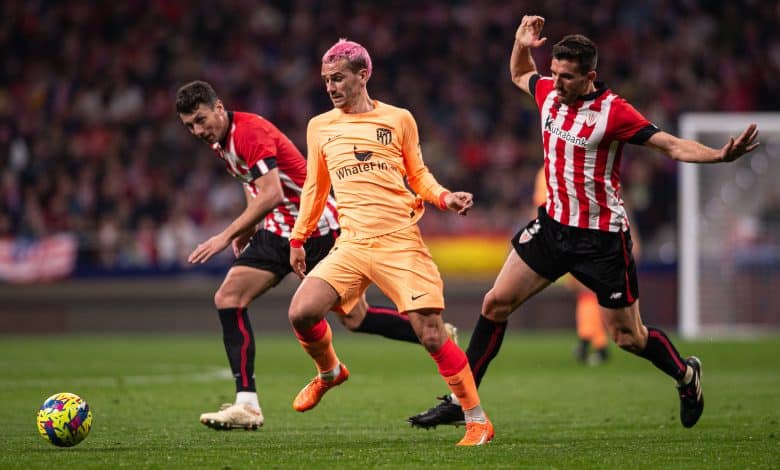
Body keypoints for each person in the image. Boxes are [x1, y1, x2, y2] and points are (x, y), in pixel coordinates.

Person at [408, 15, 759, 430]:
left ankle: (686, 375)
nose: (556, 83)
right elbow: (520, 73)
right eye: (554, 73)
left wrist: (718, 155)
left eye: (567, 77)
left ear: (590, 76)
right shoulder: (548, 93)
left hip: (601, 240)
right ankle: (461, 399)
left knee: (628, 337)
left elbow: (670, 145)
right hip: (553, 228)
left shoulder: (614, 112)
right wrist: (521, 43)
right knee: (494, 304)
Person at [175, 80, 457, 431]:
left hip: (317, 228)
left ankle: (432, 335)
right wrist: (250, 227)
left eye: (201, 120)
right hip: (278, 230)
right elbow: (254, 183)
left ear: (218, 108)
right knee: (228, 298)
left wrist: (226, 235)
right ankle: (247, 404)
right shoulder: (222, 139)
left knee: (354, 319)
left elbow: (272, 193)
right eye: (190, 126)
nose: (197, 131)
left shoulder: (249, 132)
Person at [286, 39, 493, 446]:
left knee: (431, 333)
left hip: (398, 240)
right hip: (352, 243)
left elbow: (418, 175)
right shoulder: (319, 126)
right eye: (326, 80)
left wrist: (444, 198)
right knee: (302, 312)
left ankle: (477, 419)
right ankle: (330, 372)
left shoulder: (398, 119)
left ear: (363, 75)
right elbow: (315, 186)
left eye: (338, 78)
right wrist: (298, 236)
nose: (330, 87)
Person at [532, 167, 611, 366]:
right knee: (587, 292)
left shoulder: (547, 171)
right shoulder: (573, 166)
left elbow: (542, 207)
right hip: (584, 233)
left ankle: (592, 343)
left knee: (586, 292)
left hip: (570, 237)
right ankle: (595, 343)